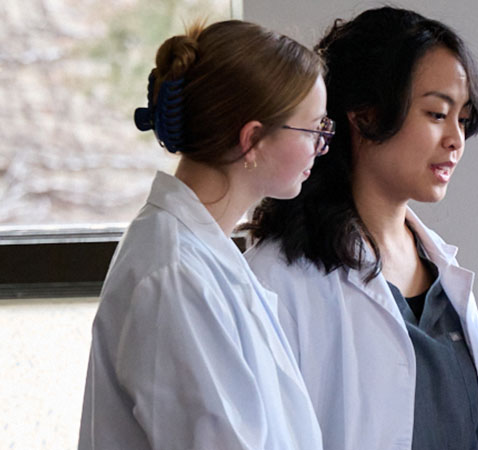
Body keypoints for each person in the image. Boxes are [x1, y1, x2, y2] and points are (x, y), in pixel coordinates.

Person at [242, 7, 478, 450]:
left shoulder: (445, 275)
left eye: (463, 118)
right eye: (437, 114)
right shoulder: (277, 280)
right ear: (363, 115)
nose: (456, 139)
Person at [78, 19, 331, 450]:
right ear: (252, 140)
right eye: (313, 130)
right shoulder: (175, 276)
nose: (320, 147)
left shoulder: (199, 255)